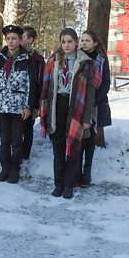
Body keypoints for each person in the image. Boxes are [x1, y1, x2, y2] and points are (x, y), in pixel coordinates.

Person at [39, 28, 95, 199]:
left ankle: (69, 185)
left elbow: (90, 92)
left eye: (70, 41)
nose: (66, 45)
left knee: (73, 149)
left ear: (76, 42)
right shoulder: (54, 60)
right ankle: (59, 183)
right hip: (57, 106)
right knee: (58, 149)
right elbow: (46, 87)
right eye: (63, 41)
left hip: (75, 108)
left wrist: (86, 118)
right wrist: (45, 111)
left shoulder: (84, 62)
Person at [0, 25, 37, 184]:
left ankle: (15, 168)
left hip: (18, 106)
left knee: (17, 140)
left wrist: (28, 106)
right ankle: (5, 168)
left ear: (20, 40)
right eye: (8, 38)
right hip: (2, 105)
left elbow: (31, 84)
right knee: (5, 140)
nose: (11, 41)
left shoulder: (27, 59)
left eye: (14, 38)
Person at [78, 30, 111, 187]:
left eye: (87, 40)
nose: (84, 43)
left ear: (95, 43)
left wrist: (93, 102)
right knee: (77, 138)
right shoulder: (77, 57)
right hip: (77, 102)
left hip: (95, 104)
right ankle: (76, 169)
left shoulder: (101, 59)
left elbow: (105, 83)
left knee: (90, 138)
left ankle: (87, 170)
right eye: (82, 40)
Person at [19, 26, 45, 177]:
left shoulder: (38, 60)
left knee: (27, 131)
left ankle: (24, 159)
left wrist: (36, 105)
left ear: (31, 40)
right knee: (14, 132)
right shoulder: (12, 56)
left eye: (23, 37)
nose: (20, 39)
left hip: (30, 102)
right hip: (14, 102)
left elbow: (40, 83)